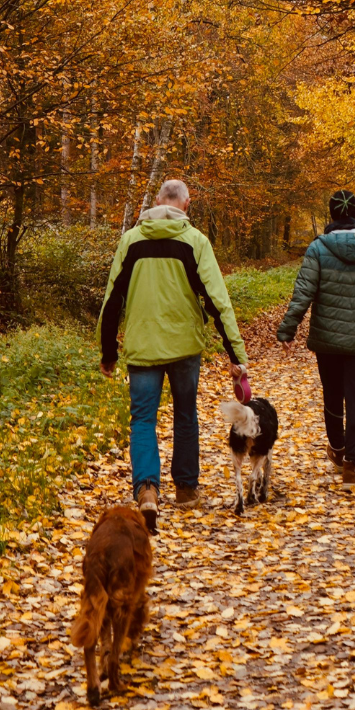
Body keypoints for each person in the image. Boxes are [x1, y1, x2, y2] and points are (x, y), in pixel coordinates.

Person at [98, 178, 249, 530]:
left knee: (143, 419)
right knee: (185, 414)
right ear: (186, 204)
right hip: (184, 347)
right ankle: (185, 489)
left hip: (142, 346)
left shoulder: (131, 241)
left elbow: (112, 300)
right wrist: (235, 353)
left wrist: (109, 352)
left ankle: (148, 490)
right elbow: (217, 301)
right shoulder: (194, 241)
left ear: (155, 201)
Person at [277, 189, 355, 485]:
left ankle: (337, 447)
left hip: (328, 338)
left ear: (332, 214)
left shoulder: (319, 248)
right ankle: (352, 464)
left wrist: (288, 330)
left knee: (333, 394)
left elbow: (303, 293)